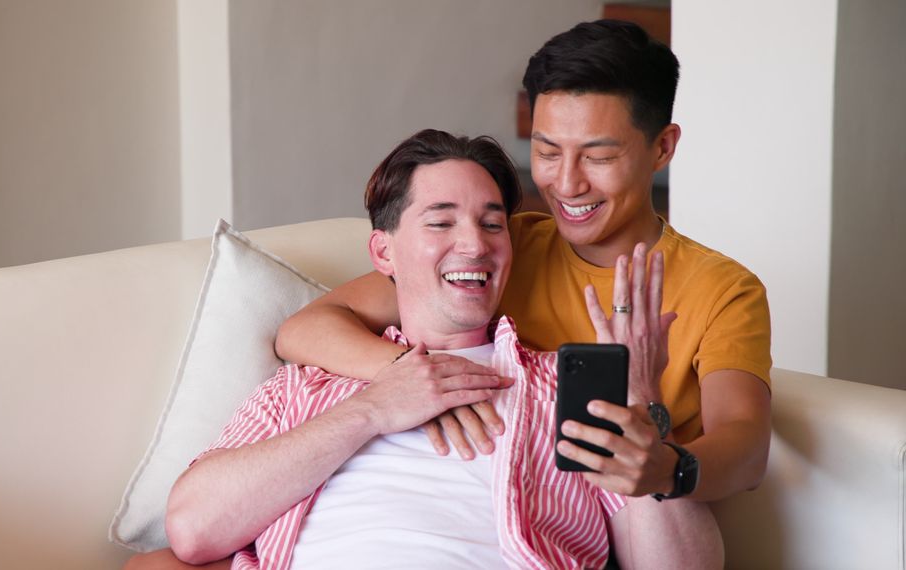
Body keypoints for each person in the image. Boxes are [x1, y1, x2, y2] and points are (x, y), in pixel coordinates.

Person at [276, 16, 771, 558]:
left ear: (662, 149)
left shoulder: (723, 288)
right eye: (547, 150)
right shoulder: (499, 247)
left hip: (605, 531)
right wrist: (415, 380)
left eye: (599, 156)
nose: (567, 182)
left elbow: (745, 445)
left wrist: (666, 466)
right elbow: (308, 328)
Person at [125, 129, 714, 570]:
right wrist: (373, 410)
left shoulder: (562, 389)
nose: (474, 245)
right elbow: (192, 529)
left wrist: (642, 409)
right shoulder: (310, 385)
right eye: (440, 222)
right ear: (383, 253)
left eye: (492, 224)